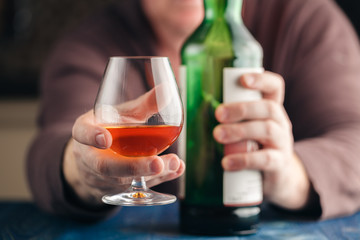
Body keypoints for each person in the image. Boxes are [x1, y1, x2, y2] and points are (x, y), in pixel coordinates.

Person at [27, 0, 360, 221]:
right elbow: (50, 146)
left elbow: (353, 137)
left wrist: (290, 174)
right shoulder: (90, 42)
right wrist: (82, 168)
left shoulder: (305, 17)